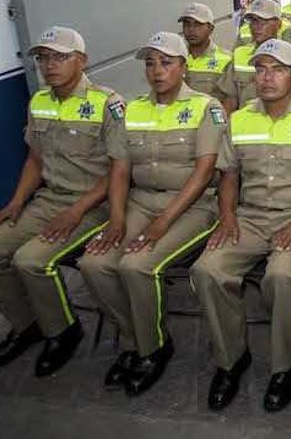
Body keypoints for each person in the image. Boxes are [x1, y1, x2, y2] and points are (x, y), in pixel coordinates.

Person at [0, 27, 125, 377]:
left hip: (92, 205)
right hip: (48, 199)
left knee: (31, 260)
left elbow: (119, 169)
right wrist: (16, 202)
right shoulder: (39, 101)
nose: (50, 65)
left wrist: (77, 210)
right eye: (43, 58)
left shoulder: (106, 103)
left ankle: (62, 331)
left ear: (82, 61)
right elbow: (35, 160)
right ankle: (28, 324)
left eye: (60, 57)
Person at [190, 38, 291, 412]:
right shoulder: (239, 120)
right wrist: (227, 216)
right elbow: (229, 175)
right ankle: (230, 359)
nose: (267, 77)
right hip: (250, 217)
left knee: (282, 277)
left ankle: (286, 364)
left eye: (278, 69)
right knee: (207, 270)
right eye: (261, 69)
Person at [79, 32, 224, 395]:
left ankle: (153, 348)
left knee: (136, 265)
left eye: (166, 62)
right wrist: (116, 218)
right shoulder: (133, 109)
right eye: (150, 63)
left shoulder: (206, 108)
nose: (157, 71)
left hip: (191, 206)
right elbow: (120, 170)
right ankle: (132, 339)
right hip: (141, 202)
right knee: (93, 264)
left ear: (183, 67)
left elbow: (204, 171)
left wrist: (164, 221)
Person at [218, 0, 291, 113]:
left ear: (278, 24)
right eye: (253, 21)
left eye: (264, 21)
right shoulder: (239, 55)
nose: (257, 26)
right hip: (247, 121)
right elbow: (230, 99)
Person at [178, 2, 232, 97]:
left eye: (197, 24)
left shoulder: (227, 59)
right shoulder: (176, 58)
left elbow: (230, 99)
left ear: (211, 28)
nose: (191, 29)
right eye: (187, 24)